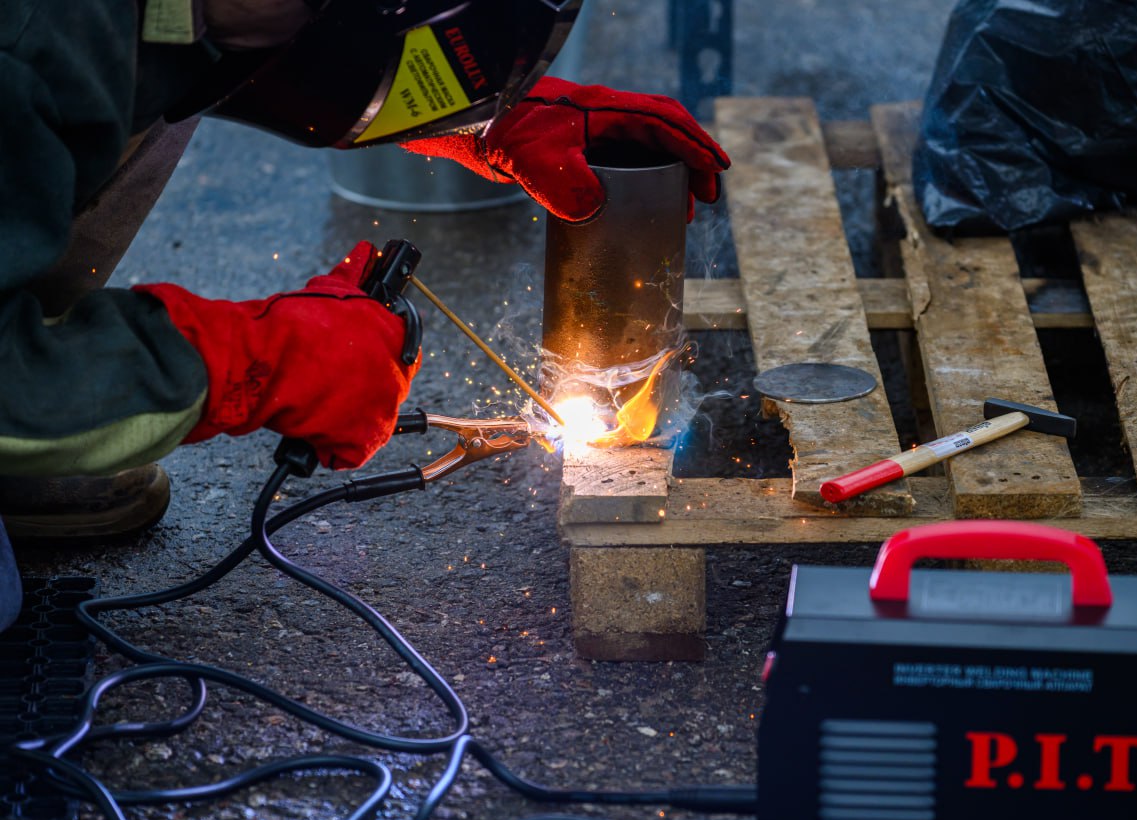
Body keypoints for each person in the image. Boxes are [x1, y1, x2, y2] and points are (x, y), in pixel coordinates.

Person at [0, 0, 730, 630]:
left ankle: (57, 418)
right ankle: (46, 415)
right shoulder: (28, 48)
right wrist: (241, 362)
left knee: (174, 60)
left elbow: (215, 46)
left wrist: (478, 119)